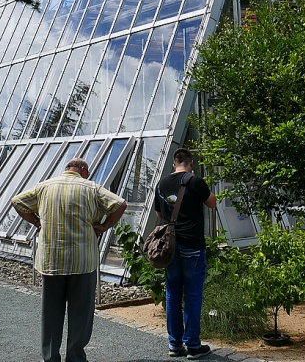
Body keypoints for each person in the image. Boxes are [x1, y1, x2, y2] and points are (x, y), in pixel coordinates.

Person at [12, 157, 127, 362]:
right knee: (80, 314)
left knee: (51, 313)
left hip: (51, 260)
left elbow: (17, 202)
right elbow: (120, 204)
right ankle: (75, 357)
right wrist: (104, 226)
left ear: (67, 169)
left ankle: (50, 357)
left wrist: (36, 221)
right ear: (83, 170)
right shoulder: (91, 188)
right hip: (82, 261)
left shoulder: (45, 186)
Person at [154, 148, 216, 360]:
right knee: (192, 295)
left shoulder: (161, 183)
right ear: (191, 164)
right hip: (192, 245)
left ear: (174, 164)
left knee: (172, 294)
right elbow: (212, 202)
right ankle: (193, 345)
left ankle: (174, 344)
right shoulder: (194, 181)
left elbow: (159, 214)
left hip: (170, 248)